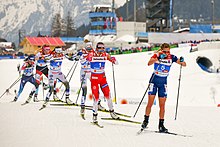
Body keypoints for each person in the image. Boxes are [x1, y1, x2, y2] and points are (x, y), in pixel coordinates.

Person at [141, 43, 186, 132]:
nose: (166, 53)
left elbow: (184, 64)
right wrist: (158, 58)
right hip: (154, 81)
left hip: (163, 83)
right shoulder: (157, 55)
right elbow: (149, 63)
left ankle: (161, 125)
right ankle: (145, 121)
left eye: (168, 51)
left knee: (162, 105)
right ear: (161, 50)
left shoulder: (172, 57)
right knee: (150, 103)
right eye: (165, 51)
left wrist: (182, 61)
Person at [86, 42, 119, 123]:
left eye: (103, 48)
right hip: (94, 78)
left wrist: (113, 59)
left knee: (108, 95)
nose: (101, 49)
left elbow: (117, 62)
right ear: (96, 48)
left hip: (102, 78)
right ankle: (95, 116)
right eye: (99, 48)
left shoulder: (105, 54)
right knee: (96, 98)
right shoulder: (92, 54)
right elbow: (88, 59)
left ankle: (112, 112)